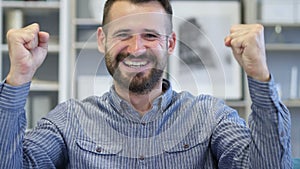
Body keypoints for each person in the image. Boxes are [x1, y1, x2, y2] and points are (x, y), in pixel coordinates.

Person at [0, 0, 292, 168]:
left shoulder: (210, 117)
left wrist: (259, 76)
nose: (136, 48)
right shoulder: (69, 120)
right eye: (123, 34)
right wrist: (19, 78)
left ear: (171, 43)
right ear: (102, 40)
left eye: (150, 36)